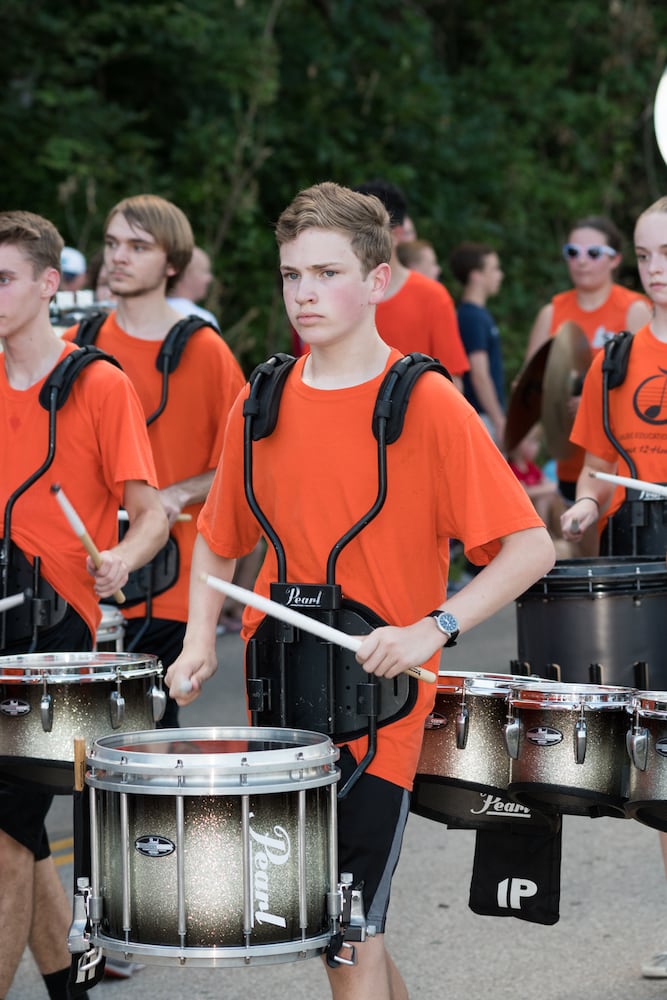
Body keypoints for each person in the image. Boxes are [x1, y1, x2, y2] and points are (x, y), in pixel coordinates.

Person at [165, 181, 556, 1000]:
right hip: (278, 696)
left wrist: (434, 626)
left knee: (345, 931)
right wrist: (202, 637)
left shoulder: (425, 402)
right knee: (339, 929)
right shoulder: (260, 398)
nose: (304, 293)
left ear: (379, 280)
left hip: (382, 707)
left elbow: (528, 548)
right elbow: (218, 534)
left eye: (325, 272)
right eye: (290, 275)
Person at [0, 210, 168, 998]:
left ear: (47, 284)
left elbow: (153, 509)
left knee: (5, 833)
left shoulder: (99, 383)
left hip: (58, 634)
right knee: (17, 831)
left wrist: (122, 559)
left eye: (4, 278)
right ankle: (70, 987)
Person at [65, 195, 245, 729]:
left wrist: (176, 493)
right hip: (88, 581)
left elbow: (244, 467)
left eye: (138, 247)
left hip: (173, 589)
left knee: (150, 755)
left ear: (172, 264)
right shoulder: (79, 344)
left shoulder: (206, 351)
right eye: (113, 244)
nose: (117, 257)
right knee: (81, 761)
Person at [560, 197, 667, 979]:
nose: (655, 268)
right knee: (663, 763)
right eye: (645, 254)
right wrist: (584, 505)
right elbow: (595, 469)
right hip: (643, 574)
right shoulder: (617, 357)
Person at [523, 215, 651, 528]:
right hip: (569, 460)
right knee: (586, 559)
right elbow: (529, 389)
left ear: (615, 260)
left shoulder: (635, 310)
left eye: (593, 253)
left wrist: (595, 407)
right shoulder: (551, 313)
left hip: (620, 463)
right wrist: (528, 435)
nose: (581, 261)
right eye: (572, 252)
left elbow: (647, 387)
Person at [354, 179, 470, 389]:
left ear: (396, 234)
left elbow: (452, 382)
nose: (356, 239)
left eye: (366, 230)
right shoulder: (339, 296)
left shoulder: (432, 296)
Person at [450, 241, 506, 446]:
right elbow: (479, 374)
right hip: (482, 417)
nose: (500, 275)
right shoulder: (472, 317)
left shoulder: (474, 314)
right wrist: (499, 420)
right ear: (476, 276)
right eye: (494, 269)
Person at [167, 243, 220, 330]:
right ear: (185, 274)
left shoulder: (152, 312)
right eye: (205, 271)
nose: (209, 278)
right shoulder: (203, 320)